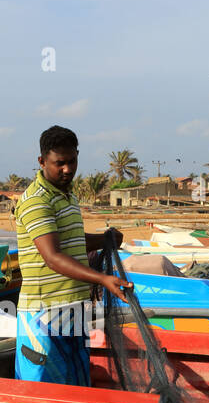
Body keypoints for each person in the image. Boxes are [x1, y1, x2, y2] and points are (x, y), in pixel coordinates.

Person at [13, 126, 130, 386]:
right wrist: (101, 279)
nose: (67, 169)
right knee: (41, 391)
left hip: (74, 310)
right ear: (42, 161)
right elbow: (52, 256)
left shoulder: (68, 194)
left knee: (76, 385)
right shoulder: (36, 201)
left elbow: (69, 239)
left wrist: (105, 239)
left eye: (72, 161)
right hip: (43, 314)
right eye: (59, 163)